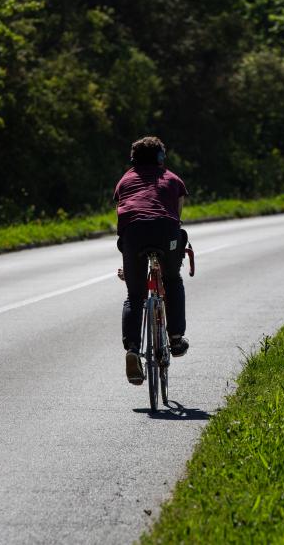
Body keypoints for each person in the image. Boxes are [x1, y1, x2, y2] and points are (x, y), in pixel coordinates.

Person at [114, 136, 189, 385]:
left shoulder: (125, 180)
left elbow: (122, 213)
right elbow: (177, 217)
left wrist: (129, 264)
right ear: (160, 158)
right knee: (172, 279)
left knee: (135, 295)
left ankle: (133, 349)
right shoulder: (172, 179)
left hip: (133, 235)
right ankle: (176, 338)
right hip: (166, 232)